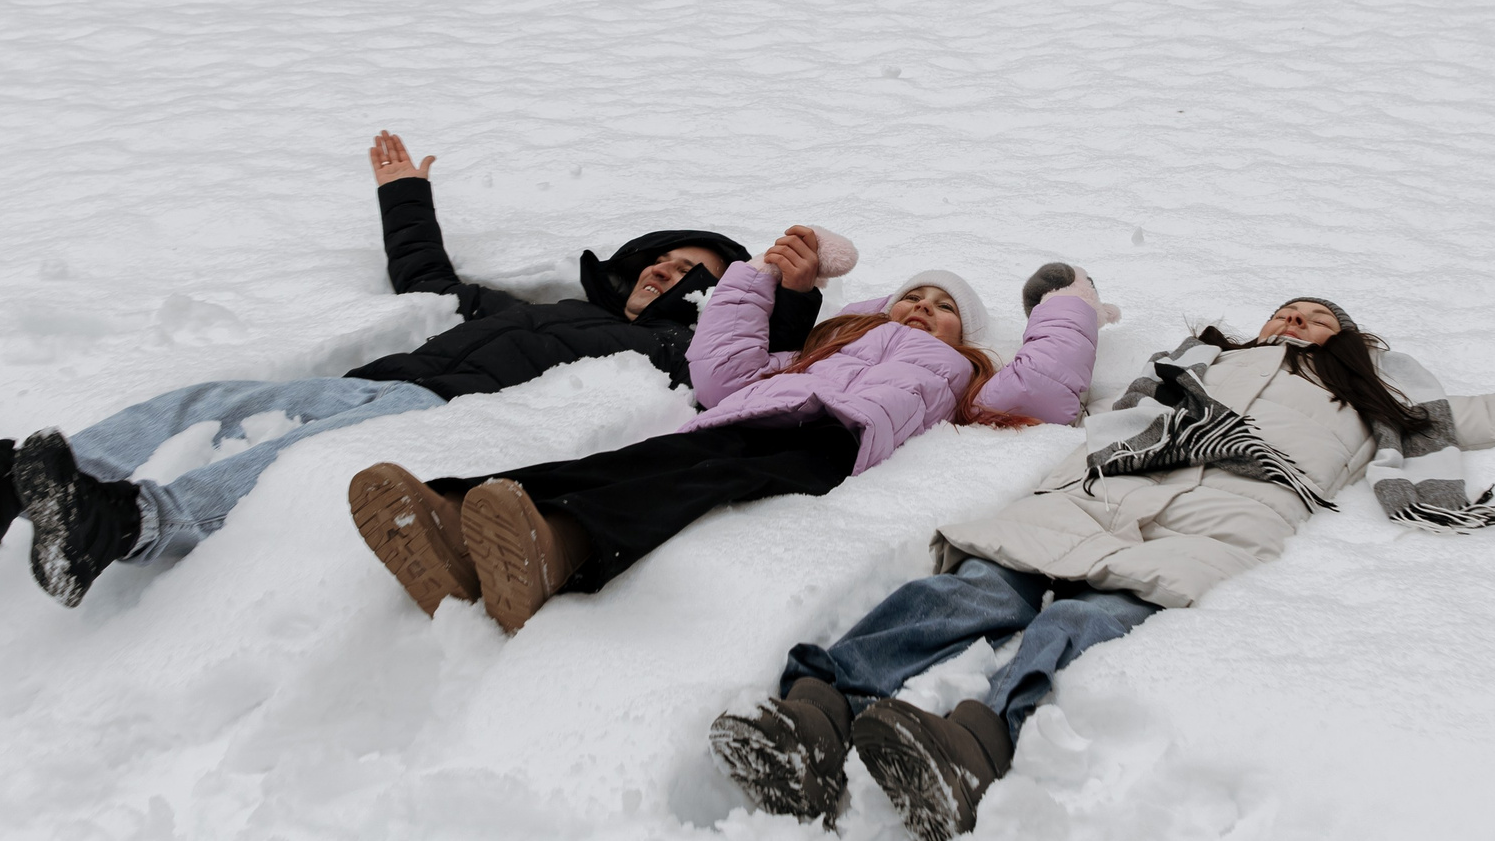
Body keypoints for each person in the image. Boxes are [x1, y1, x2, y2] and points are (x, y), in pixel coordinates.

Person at [711, 289, 1495, 841]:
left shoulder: (1375, 399)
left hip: (1233, 509)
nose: (1293, 321)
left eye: (1315, 316)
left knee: (1084, 621)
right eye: (1284, 311)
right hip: (1106, 486)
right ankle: (814, 713)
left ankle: (975, 744)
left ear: (1351, 339)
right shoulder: (1197, 365)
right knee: (970, 589)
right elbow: (1085, 404)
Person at [0, 130, 823, 607]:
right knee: (207, 399)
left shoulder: (671, 359)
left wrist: (783, 286)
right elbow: (431, 283)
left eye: (693, 274)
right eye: (661, 257)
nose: (666, 270)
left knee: (289, 456)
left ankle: (123, 525)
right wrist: (404, 194)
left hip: (442, 412)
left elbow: (758, 362)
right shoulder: (549, 310)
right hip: (388, 371)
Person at [349, 232, 1110, 634]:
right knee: (630, 460)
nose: (920, 308)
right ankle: (455, 514)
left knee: (689, 482)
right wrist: (758, 279)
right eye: (911, 295)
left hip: (832, 441)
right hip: (755, 412)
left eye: (942, 307)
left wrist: (1068, 304)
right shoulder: (826, 345)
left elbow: (1042, 388)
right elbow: (721, 372)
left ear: (965, 335)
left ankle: (556, 546)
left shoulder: (959, 375)